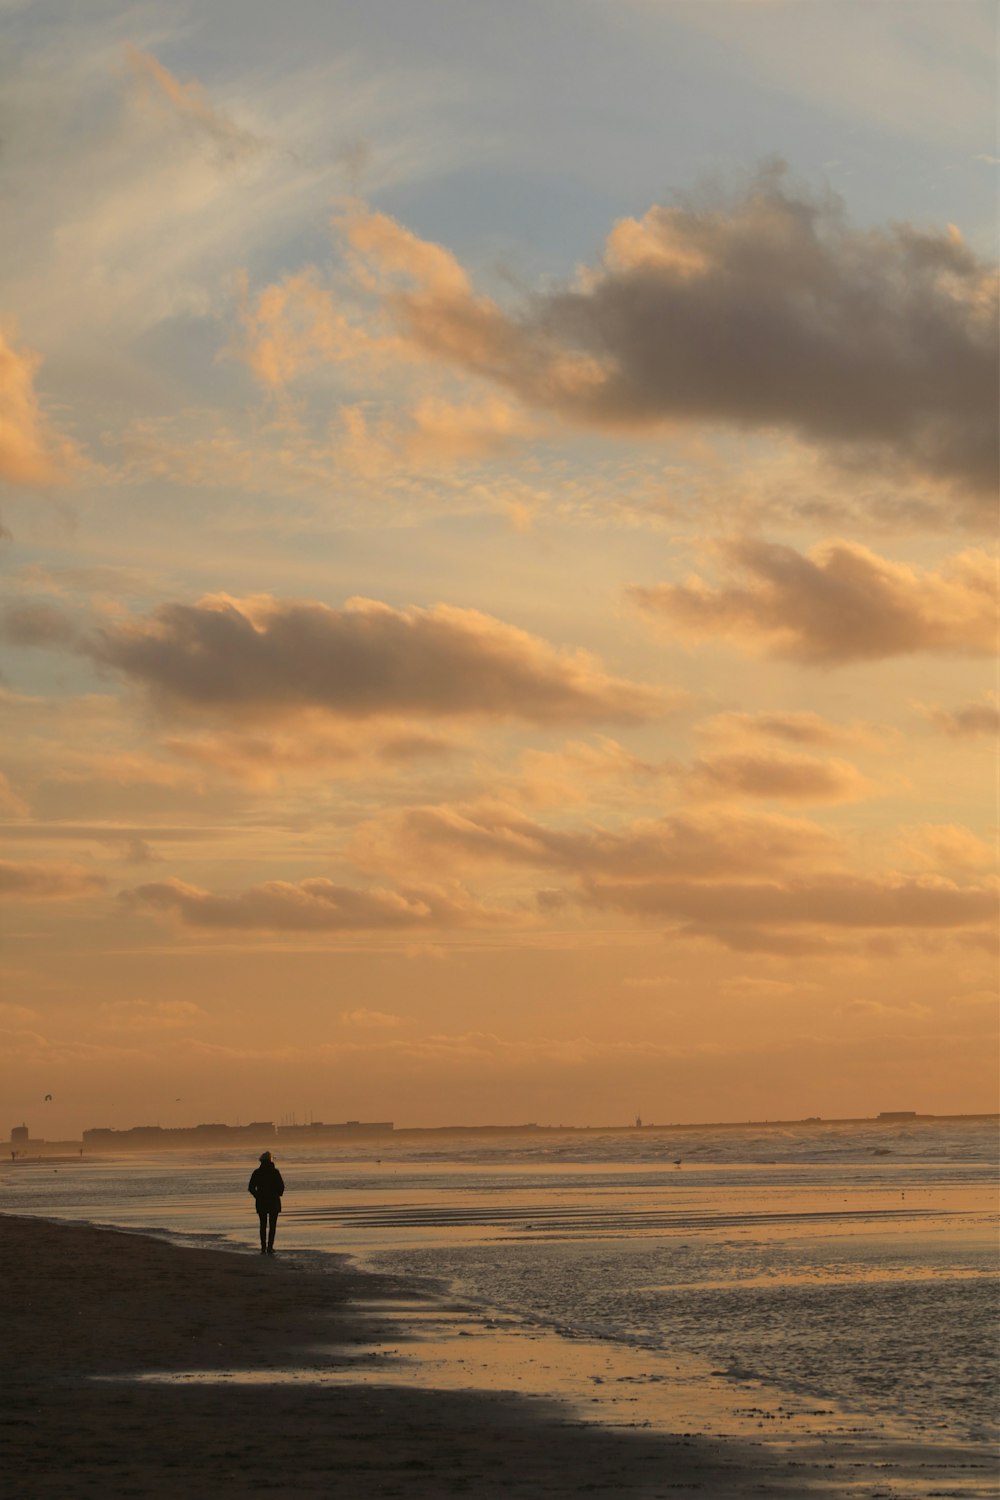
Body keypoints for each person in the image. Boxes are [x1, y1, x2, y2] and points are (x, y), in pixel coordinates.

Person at [248, 1150, 284, 1255]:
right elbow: (281, 1187)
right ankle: (270, 1247)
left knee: (262, 1225)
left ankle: (263, 1247)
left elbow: (251, 1187)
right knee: (272, 1226)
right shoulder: (275, 1172)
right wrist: (278, 1194)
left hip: (261, 1202)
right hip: (273, 1202)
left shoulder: (257, 1172)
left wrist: (257, 1195)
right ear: (270, 1161)